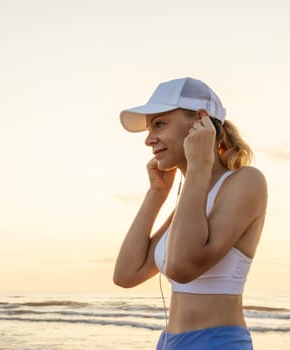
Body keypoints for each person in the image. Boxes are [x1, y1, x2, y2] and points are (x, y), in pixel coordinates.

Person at [113, 77, 267, 350]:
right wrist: (156, 194)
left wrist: (199, 166)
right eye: (148, 128)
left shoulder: (246, 181)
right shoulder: (190, 203)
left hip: (216, 343)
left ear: (200, 120)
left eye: (159, 124)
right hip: (169, 342)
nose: (149, 139)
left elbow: (182, 267)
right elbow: (127, 274)